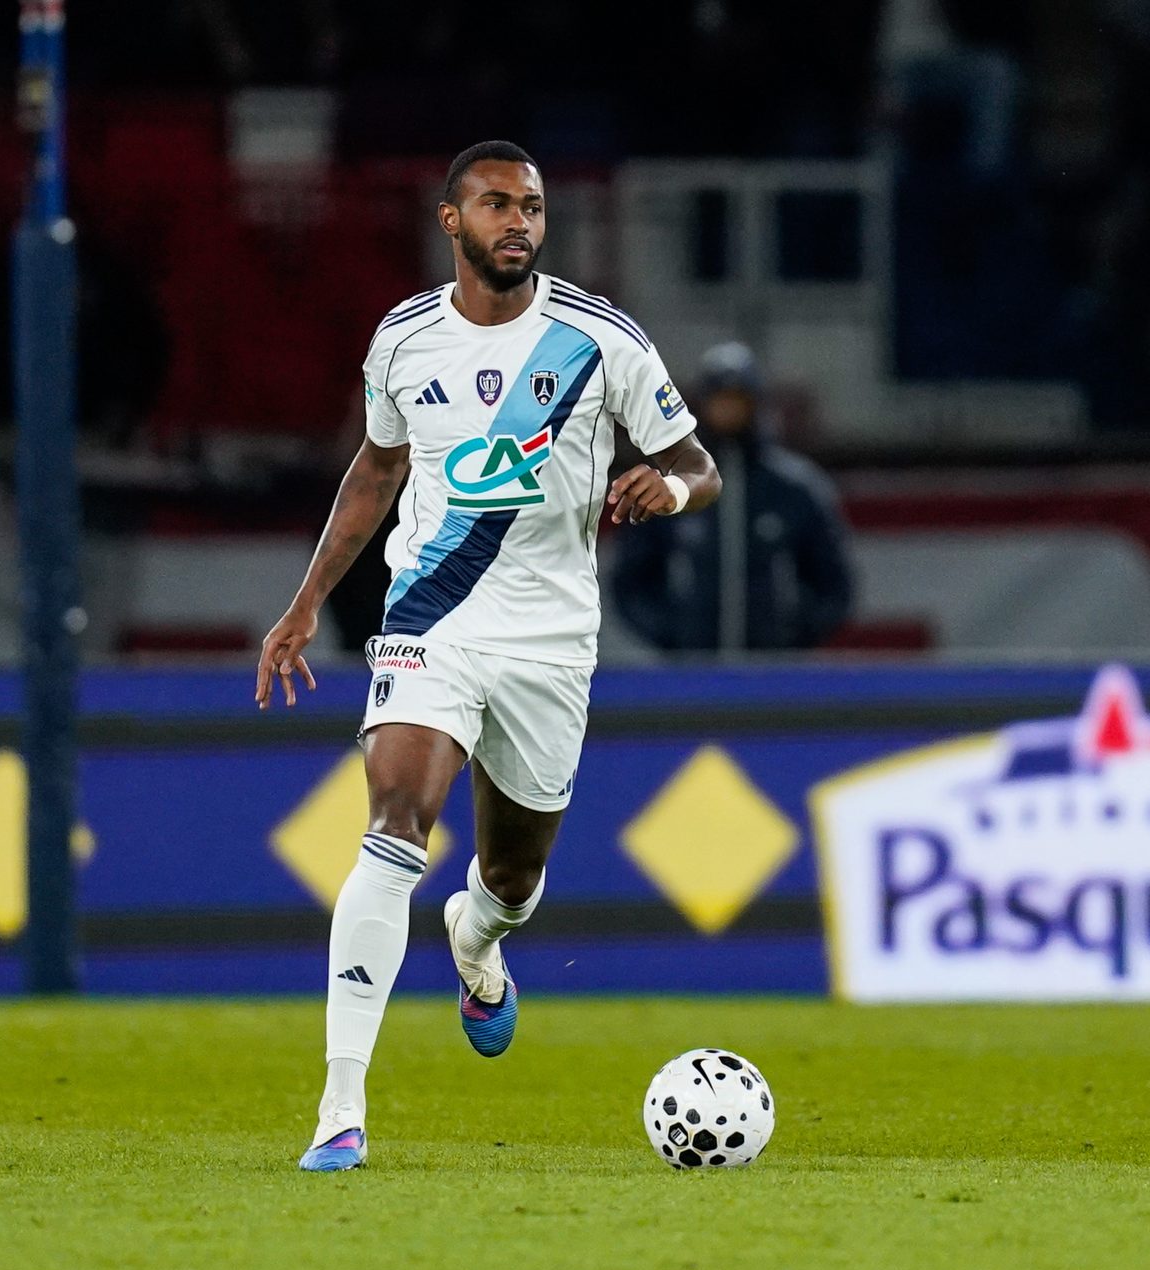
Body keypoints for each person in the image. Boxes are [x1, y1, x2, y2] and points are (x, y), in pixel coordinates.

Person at [254, 139, 721, 1172]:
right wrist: (304, 603)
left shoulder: (599, 340)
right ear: (451, 220)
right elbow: (375, 472)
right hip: (431, 621)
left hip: (550, 641)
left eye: (533, 207)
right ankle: (339, 1108)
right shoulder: (403, 340)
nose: (519, 222)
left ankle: (476, 940)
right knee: (393, 824)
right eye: (498, 205)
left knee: (511, 877)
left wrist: (671, 488)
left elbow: (700, 466)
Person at [610, 342, 854, 653]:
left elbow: (834, 584)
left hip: (773, 670)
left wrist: (791, 637)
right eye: (720, 399)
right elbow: (630, 582)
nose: (728, 410)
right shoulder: (671, 486)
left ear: (757, 405)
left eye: (738, 400)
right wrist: (674, 635)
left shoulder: (795, 488)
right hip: (692, 669)